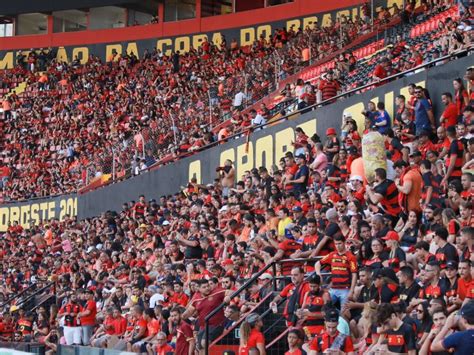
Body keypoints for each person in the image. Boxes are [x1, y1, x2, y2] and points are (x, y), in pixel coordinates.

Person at [315, 235, 358, 309]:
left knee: (344, 312)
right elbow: (318, 263)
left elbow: (354, 274)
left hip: (345, 289)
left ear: (344, 243)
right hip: (333, 289)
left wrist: (351, 291)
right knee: (324, 308)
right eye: (336, 244)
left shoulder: (351, 257)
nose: (338, 246)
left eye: (339, 243)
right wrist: (318, 274)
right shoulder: (332, 255)